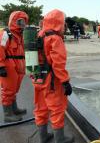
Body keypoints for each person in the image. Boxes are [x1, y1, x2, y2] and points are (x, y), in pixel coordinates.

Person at [32, 9, 74, 143]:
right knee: (57, 108)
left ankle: (43, 137)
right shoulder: (55, 39)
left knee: (41, 108)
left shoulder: (39, 35)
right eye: (63, 22)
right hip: (51, 80)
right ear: (58, 23)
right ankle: (60, 139)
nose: (64, 26)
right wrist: (65, 82)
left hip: (38, 78)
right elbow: (58, 64)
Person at [0, 11, 28, 122]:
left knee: (14, 89)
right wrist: (1, 66)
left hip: (18, 65)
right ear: (13, 21)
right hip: (8, 65)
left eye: (24, 22)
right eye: (20, 21)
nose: (22, 24)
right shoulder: (6, 33)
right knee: (8, 90)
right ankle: (8, 114)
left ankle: (14, 109)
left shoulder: (19, 35)